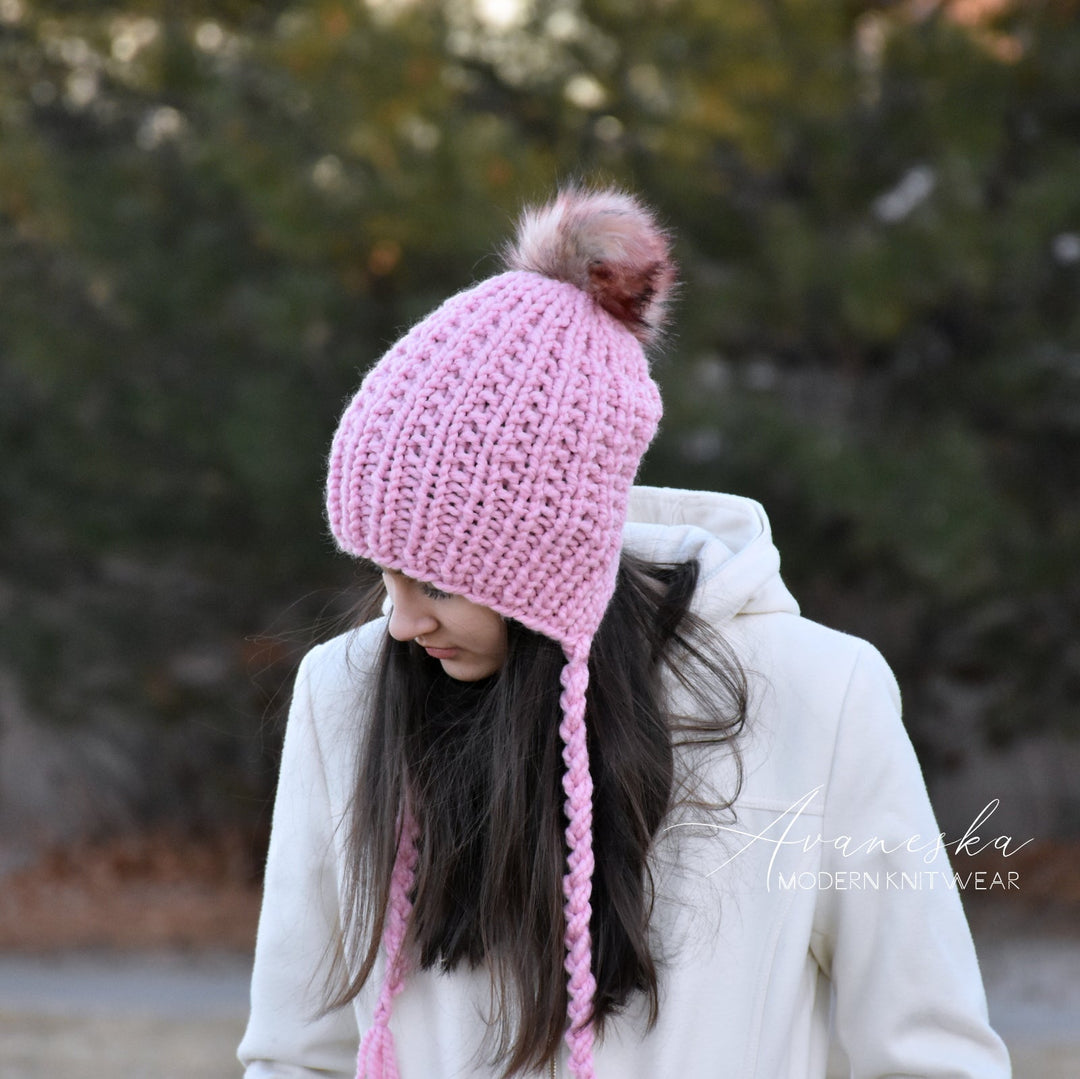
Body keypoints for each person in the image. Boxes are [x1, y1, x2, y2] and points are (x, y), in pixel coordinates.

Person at [237, 187, 1011, 1078]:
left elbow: (927, 1050)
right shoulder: (348, 692)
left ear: (543, 557)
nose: (401, 620)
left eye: (438, 583)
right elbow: (300, 1055)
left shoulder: (818, 696)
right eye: (384, 572)